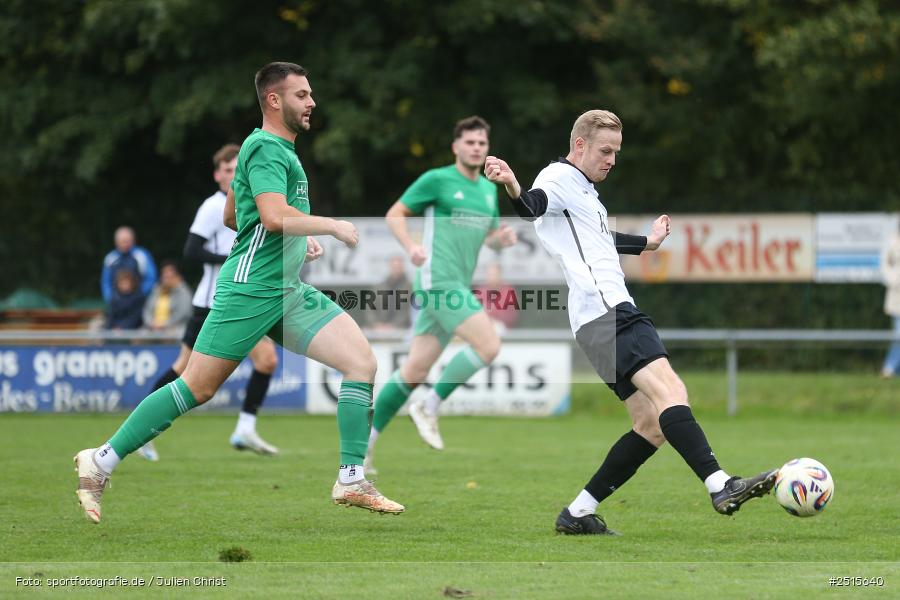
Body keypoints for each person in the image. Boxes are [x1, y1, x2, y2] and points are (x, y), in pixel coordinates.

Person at [74, 61, 404, 524]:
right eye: (302, 95)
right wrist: (327, 225)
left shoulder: (271, 148)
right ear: (274, 99)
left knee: (361, 363)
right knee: (196, 387)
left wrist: (296, 238)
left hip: (285, 291)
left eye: (310, 94)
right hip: (250, 290)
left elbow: (235, 216)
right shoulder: (266, 147)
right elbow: (271, 217)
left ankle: (351, 479)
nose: (312, 102)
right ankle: (100, 461)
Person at [484, 109, 776, 535]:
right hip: (610, 311)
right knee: (671, 392)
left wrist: (648, 244)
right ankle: (721, 485)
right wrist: (512, 184)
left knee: (651, 425)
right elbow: (532, 207)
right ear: (580, 145)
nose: (612, 160)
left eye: (616, 152)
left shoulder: (583, 190)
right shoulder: (559, 178)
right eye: (606, 151)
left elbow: (600, 237)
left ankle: (577, 513)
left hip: (592, 321)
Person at [366, 116, 517, 474]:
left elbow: (490, 237)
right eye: (470, 142)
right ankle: (428, 406)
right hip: (438, 281)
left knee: (413, 371)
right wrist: (411, 247)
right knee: (489, 345)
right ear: (456, 147)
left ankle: (362, 450)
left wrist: (501, 240)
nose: (476, 148)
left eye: (482, 143)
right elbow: (395, 214)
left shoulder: (488, 190)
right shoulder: (437, 179)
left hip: (456, 285)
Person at [136, 144, 282, 463]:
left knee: (267, 360)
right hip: (212, 301)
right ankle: (140, 430)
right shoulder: (213, 206)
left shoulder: (252, 202)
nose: (232, 175)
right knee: (184, 370)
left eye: (237, 169)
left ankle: (245, 428)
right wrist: (231, 257)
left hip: (241, 299)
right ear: (217, 175)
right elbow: (191, 249)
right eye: (227, 170)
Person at [101, 226, 157, 303]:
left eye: (127, 241)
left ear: (133, 240)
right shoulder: (110, 258)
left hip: (139, 302)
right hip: (116, 302)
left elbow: (151, 278)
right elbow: (106, 282)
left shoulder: (141, 255)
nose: (125, 244)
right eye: (122, 241)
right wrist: (110, 298)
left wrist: (140, 295)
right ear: (116, 242)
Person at [141, 261, 193, 337]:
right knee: (137, 337)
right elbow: (147, 310)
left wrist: (164, 324)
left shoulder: (184, 292)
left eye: (169, 276)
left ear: (178, 277)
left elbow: (182, 314)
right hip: (153, 327)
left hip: (176, 327)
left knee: (170, 336)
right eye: (164, 276)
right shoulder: (156, 290)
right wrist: (151, 323)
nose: (166, 279)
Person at [365, 255, 412, 331]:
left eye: (399, 267)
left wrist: (394, 326)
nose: (396, 270)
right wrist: (376, 325)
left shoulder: (410, 288)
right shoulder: (379, 287)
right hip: (378, 330)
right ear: (390, 267)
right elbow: (370, 309)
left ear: (403, 268)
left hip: (402, 330)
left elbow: (407, 311)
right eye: (394, 267)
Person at [473, 262, 519, 334]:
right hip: (482, 326)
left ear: (499, 275)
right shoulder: (480, 291)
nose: (491, 277)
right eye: (490, 274)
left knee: (498, 328)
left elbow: (511, 316)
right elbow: (474, 313)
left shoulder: (508, 291)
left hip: (502, 328)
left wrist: (494, 318)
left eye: (494, 274)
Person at [881, 222, 900, 377]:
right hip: (897, 296)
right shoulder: (892, 243)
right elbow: (885, 268)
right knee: (899, 335)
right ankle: (889, 368)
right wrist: (896, 281)